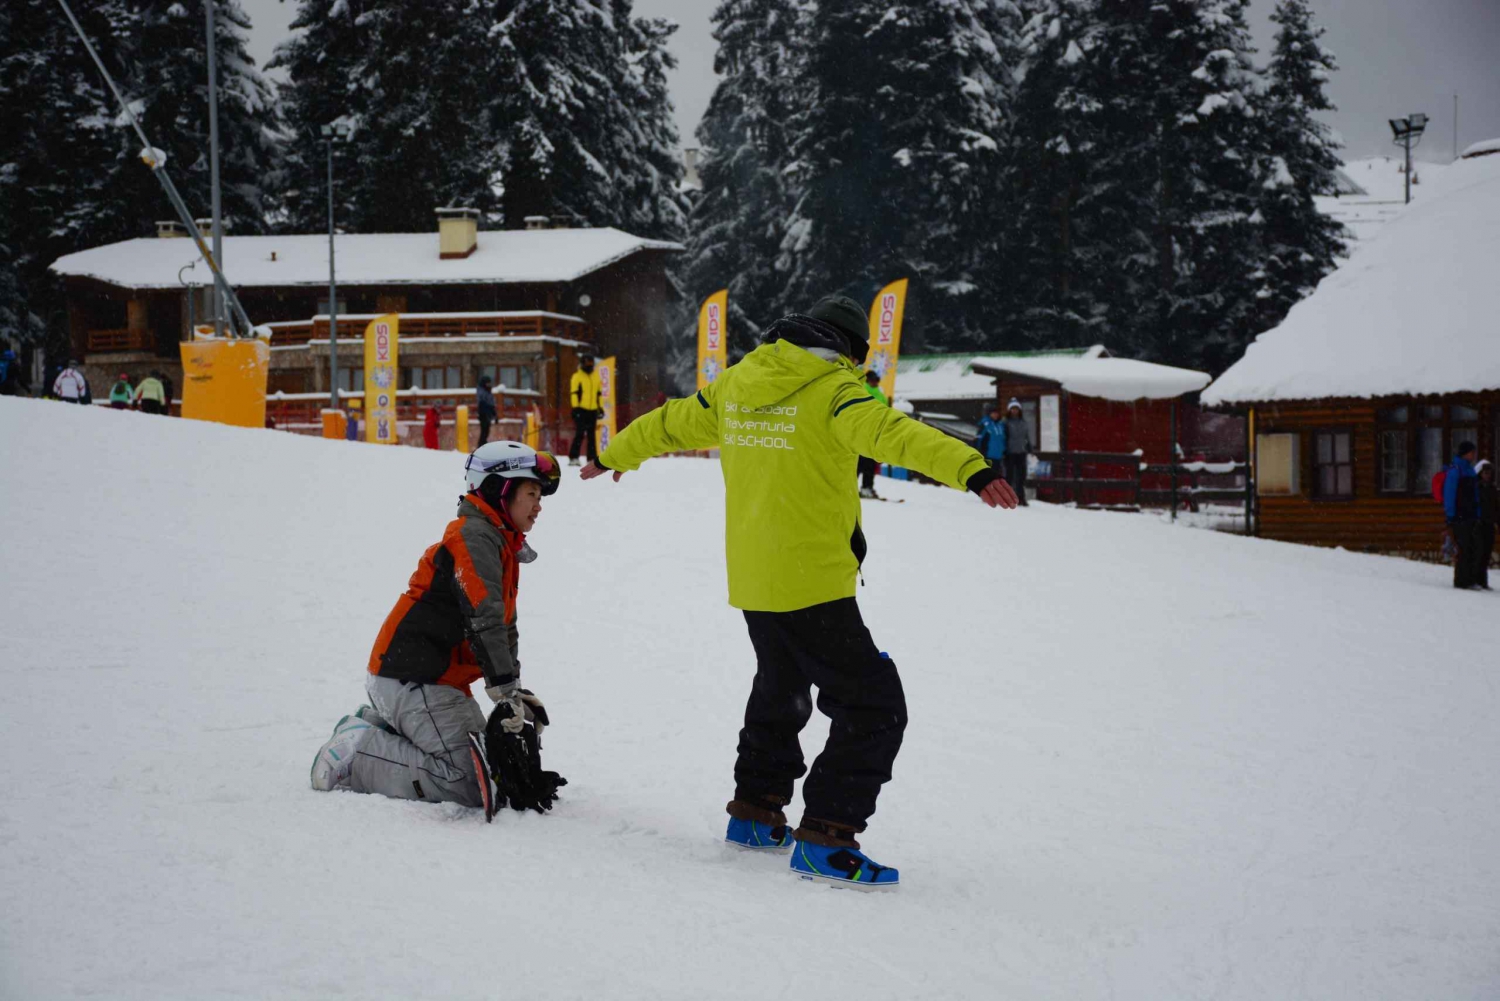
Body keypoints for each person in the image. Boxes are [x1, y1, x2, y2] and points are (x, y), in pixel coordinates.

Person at [581, 294, 1019, 889]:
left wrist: (614, 452)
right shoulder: (836, 391)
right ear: (849, 350)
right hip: (812, 581)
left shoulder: (736, 384)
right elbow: (897, 435)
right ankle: (827, 837)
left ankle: (757, 813)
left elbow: (670, 421)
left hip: (756, 580)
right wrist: (974, 467)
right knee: (874, 705)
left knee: (781, 686)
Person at [310, 441, 563, 809]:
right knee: (470, 783)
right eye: (531, 493)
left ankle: (382, 727)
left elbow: (504, 628)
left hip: (431, 681)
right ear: (499, 490)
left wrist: (513, 690)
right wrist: (503, 691)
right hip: (415, 678)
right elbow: (485, 618)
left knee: (492, 768)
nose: (539, 506)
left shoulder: (498, 544)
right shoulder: (473, 538)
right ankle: (358, 752)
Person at [1444, 442, 1484, 590]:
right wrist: (1450, 516)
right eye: (1472, 452)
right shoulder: (1455, 470)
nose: (1474, 455)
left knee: (1473, 548)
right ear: (1465, 453)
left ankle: (1470, 579)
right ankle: (1461, 581)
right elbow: (1450, 494)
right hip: (1459, 517)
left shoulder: (1470, 471)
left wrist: (1477, 513)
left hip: (1470, 516)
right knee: (1463, 548)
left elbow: (1474, 495)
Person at [856, 370, 889, 498]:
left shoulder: (881, 396)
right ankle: (851, 487)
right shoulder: (862, 389)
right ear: (868, 380)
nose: (875, 382)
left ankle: (867, 487)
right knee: (858, 463)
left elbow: (885, 412)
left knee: (869, 464)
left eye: (877, 380)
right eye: (873, 380)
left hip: (874, 433)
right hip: (862, 432)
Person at [568, 354, 603, 466]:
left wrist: (600, 407)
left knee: (592, 435)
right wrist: (575, 408)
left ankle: (591, 458)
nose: (590, 365)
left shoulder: (596, 376)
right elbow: (574, 393)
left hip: (592, 410)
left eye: (591, 363)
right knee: (580, 433)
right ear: (582, 363)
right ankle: (574, 457)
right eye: (587, 363)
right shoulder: (577, 376)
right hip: (581, 409)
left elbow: (599, 394)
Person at [1003, 398, 1033, 506]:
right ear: (1009, 410)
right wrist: (1004, 451)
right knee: (1009, 477)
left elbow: (1026, 437)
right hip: (1010, 453)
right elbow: (1003, 437)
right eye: (1012, 409)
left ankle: (1021, 497)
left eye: (1016, 409)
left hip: (1021, 452)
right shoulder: (1005, 422)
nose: (1014, 411)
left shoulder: (1023, 422)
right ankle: (1007, 498)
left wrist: (1030, 448)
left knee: (1021, 476)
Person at [1475, 459, 1495, 591]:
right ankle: (1477, 579)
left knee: (1486, 553)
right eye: (1485, 473)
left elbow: (1495, 507)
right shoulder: (1477, 488)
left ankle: (1483, 581)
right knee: (1479, 552)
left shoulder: (1492, 489)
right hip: (1479, 523)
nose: (1487, 475)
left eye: (1489, 473)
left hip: (1489, 524)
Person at [974, 402, 1008, 474]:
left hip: (999, 456)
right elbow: (979, 440)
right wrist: (981, 453)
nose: (995, 415)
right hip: (988, 456)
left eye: (997, 413)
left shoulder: (1000, 425)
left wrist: (1004, 451)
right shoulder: (985, 424)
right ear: (989, 414)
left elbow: (1003, 439)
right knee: (988, 476)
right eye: (993, 413)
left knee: (997, 476)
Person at [476, 375, 497, 446]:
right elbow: (483, 403)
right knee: (484, 431)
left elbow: (491, 403)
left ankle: (483, 443)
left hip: (488, 413)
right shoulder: (482, 391)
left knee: (486, 430)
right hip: (483, 414)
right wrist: (488, 412)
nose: (489, 385)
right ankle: (481, 444)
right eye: (487, 384)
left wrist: (494, 414)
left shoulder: (488, 391)